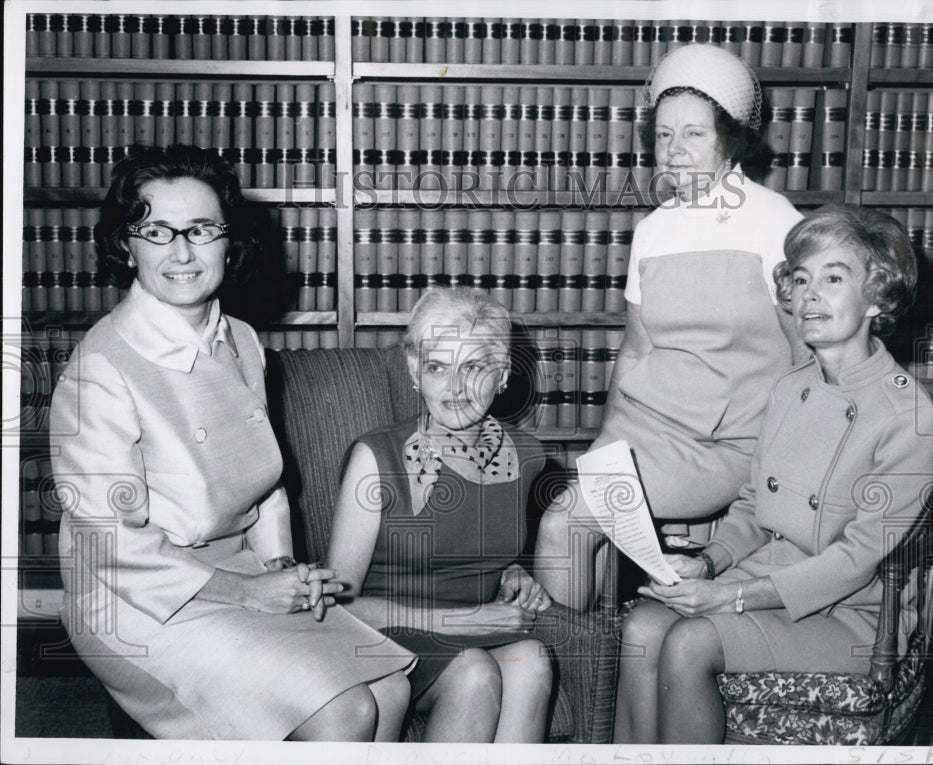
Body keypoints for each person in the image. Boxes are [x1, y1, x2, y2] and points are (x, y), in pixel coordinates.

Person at [49, 145, 415, 741]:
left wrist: (277, 566)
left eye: (201, 229)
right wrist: (245, 592)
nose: (181, 252)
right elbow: (107, 543)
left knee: (389, 685)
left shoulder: (241, 340)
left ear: (229, 241)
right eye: (157, 231)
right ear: (126, 245)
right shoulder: (99, 369)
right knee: (346, 710)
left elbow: (265, 487)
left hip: (239, 569)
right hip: (135, 596)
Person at [613, 204, 933, 743]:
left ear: (878, 297)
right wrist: (708, 563)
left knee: (690, 642)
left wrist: (730, 598)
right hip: (767, 578)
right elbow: (752, 504)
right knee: (642, 629)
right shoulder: (790, 388)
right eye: (801, 278)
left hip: (851, 612)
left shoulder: (908, 417)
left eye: (833, 279)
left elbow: (854, 561)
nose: (810, 295)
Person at [535, 44, 809, 611]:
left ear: (729, 138)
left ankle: (567, 665)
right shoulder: (653, 231)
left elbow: (807, 356)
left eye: (693, 134)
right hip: (646, 429)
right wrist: (605, 445)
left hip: (726, 443)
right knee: (579, 519)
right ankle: (599, 650)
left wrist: (785, 465)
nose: (674, 151)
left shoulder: (777, 222)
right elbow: (636, 353)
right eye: (663, 135)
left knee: (565, 524)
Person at [327, 288, 554, 742]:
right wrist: (464, 621)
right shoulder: (376, 457)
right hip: (387, 637)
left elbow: (476, 541)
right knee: (474, 672)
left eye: (473, 368)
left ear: (503, 374)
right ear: (415, 372)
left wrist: (516, 571)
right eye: (437, 367)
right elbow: (339, 604)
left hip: (477, 627)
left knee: (532, 660)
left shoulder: (528, 456)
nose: (454, 388)